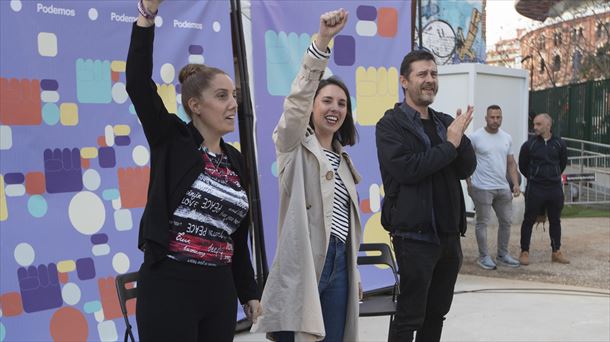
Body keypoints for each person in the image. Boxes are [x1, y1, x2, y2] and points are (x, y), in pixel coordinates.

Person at [126, 0, 261, 340]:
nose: (233, 104)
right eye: (222, 96)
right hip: (170, 286)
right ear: (195, 106)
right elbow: (138, 84)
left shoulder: (235, 159)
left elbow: (234, 236)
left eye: (234, 95)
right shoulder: (171, 139)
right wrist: (146, 15)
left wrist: (249, 292)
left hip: (219, 290)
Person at [251, 9, 363, 342]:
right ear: (312, 106)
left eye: (342, 104)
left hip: (339, 264)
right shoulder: (292, 145)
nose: (335, 108)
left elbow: (340, 220)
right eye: (327, 100)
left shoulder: (345, 160)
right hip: (301, 266)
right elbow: (295, 103)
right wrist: (322, 43)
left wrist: (352, 271)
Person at [375, 49, 476, 342]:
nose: (429, 80)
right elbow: (408, 169)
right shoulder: (390, 124)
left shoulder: (445, 121)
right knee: (409, 317)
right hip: (414, 237)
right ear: (404, 81)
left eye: (433, 74)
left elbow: (466, 167)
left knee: (436, 314)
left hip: (448, 236)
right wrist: (450, 145)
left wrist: (460, 140)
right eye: (422, 74)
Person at [467, 105, 521, 270]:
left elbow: (511, 163)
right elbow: (466, 161)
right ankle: (483, 257)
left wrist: (516, 183)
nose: (495, 120)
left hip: (503, 187)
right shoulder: (475, 137)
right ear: (486, 118)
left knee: (506, 221)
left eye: (498, 117)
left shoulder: (506, 137)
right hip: (482, 187)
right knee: (482, 222)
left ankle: (502, 254)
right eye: (492, 117)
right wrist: (469, 183)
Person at [518, 113, 569, 265]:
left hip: (554, 188)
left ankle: (556, 251)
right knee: (529, 220)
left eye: (538, 124)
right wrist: (536, 176)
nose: (535, 127)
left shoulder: (559, 143)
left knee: (555, 220)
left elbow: (562, 163)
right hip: (536, 187)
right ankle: (524, 251)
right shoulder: (529, 144)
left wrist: (552, 175)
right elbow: (523, 165)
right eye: (534, 124)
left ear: (548, 125)